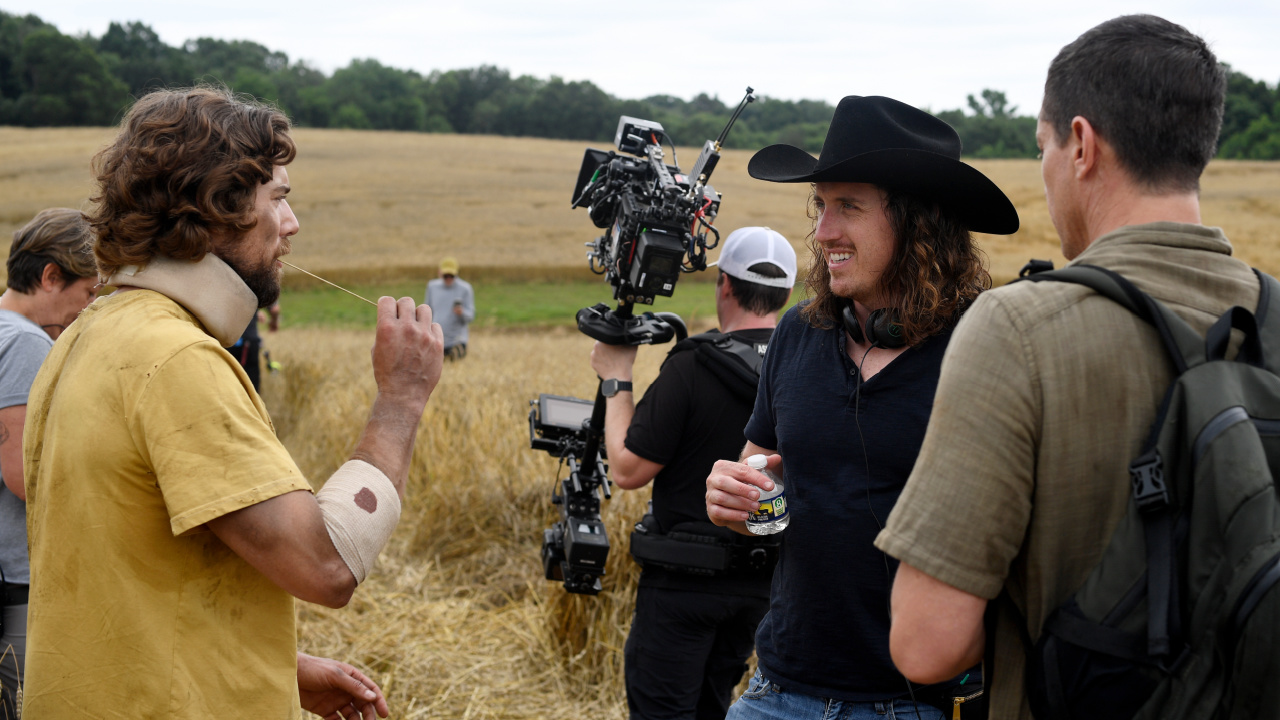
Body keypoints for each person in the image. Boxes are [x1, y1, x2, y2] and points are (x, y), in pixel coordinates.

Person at [875, 15, 1255, 719]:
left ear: (1081, 145)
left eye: (1043, 146)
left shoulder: (1018, 328)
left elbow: (927, 645)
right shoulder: (1272, 319)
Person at [20, 87, 444, 719]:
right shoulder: (175, 359)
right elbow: (326, 566)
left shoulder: (89, 333)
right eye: (279, 199)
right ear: (216, 207)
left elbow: (126, 573)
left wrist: (275, 668)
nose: (293, 224)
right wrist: (402, 400)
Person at [703, 96, 1019, 719]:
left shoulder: (988, 349)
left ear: (920, 223)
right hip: (777, 690)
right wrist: (736, 499)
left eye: (849, 206)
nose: (822, 233)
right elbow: (763, 473)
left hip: (914, 705)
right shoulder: (798, 333)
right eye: (821, 205)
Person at [590, 226, 797, 720]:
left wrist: (616, 378)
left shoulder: (692, 365)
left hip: (683, 583)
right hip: (763, 587)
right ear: (787, 294)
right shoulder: (805, 366)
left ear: (724, 284)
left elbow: (627, 468)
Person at [0, 208, 98, 718]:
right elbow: (23, 474)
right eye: (88, 294)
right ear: (51, 276)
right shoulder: (28, 342)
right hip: (16, 575)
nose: (87, 311)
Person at [425, 257, 474, 360]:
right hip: (436, 340)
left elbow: (470, 316)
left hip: (457, 341)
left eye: (451, 275)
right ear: (439, 273)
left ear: (457, 274)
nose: (448, 278)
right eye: (445, 275)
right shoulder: (432, 287)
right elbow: (427, 311)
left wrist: (462, 313)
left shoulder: (465, 288)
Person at [233, 301, 280, 391]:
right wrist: (273, 323)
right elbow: (274, 309)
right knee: (251, 387)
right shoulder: (256, 287)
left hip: (225, 341)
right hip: (248, 342)